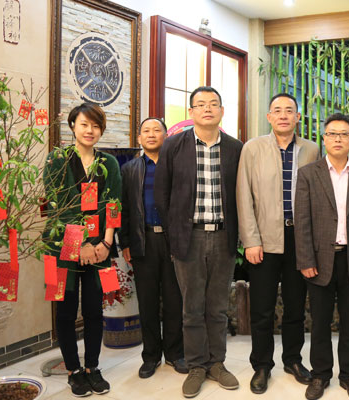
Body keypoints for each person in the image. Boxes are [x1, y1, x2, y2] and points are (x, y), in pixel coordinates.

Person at [154, 86, 243, 398]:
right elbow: (161, 195)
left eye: (213, 104)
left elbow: (242, 193)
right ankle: (195, 366)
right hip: (188, 237)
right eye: (201, 104)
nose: (208, 109)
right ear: (190, 112)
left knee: (217, 307)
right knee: (191, 308)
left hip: (223, 236)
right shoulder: (173, 145)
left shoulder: (235, 148)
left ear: (222, 111)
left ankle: (216, 363)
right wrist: (175, 233)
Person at [237, 93, 319, 394]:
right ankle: (262, 364)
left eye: (289, 111)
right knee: (262, 308)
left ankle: (292, 360)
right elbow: (243, 195)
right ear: (269, 117)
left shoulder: (311, 149)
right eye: (277, 111)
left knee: (296, 306)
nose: (283, 115)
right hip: (264, 239)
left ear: (298, 117)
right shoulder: (253, 148)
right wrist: (250, 240)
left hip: (300, 239)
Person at [295, 113, 349, 400]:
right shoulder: (309, 173)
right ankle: (320, 375)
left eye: (344, 134)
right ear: (324, 138)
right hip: (319, 260)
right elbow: (302, 220)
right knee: (319, 323)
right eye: (332, 134)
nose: (338, 139)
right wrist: (306, 260)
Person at [43, 103, 121, 397]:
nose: (90, 130)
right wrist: (84, 243)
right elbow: (58, 206)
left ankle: (92, 367)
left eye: (96, 126)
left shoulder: (109, 163)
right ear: (72, 126)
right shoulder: (57, 159)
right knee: (64, 309)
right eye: (84, 124)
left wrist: (106, 242)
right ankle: (73, 371)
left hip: (100, 248)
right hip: (60, 246)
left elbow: (114, 204)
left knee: (93, 308)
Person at [120, 117, 186, 379]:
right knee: (147, 303)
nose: (151, 134)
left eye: (156, 130)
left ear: (165, 136)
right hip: (143, 241)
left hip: (172, 242)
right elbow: (124, 209)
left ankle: (175, 353)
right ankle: (150, 356)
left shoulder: (177, 166)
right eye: (145, 131)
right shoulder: (130, 170)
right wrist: (125, 242)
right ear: (139, 138)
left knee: (174, 301)